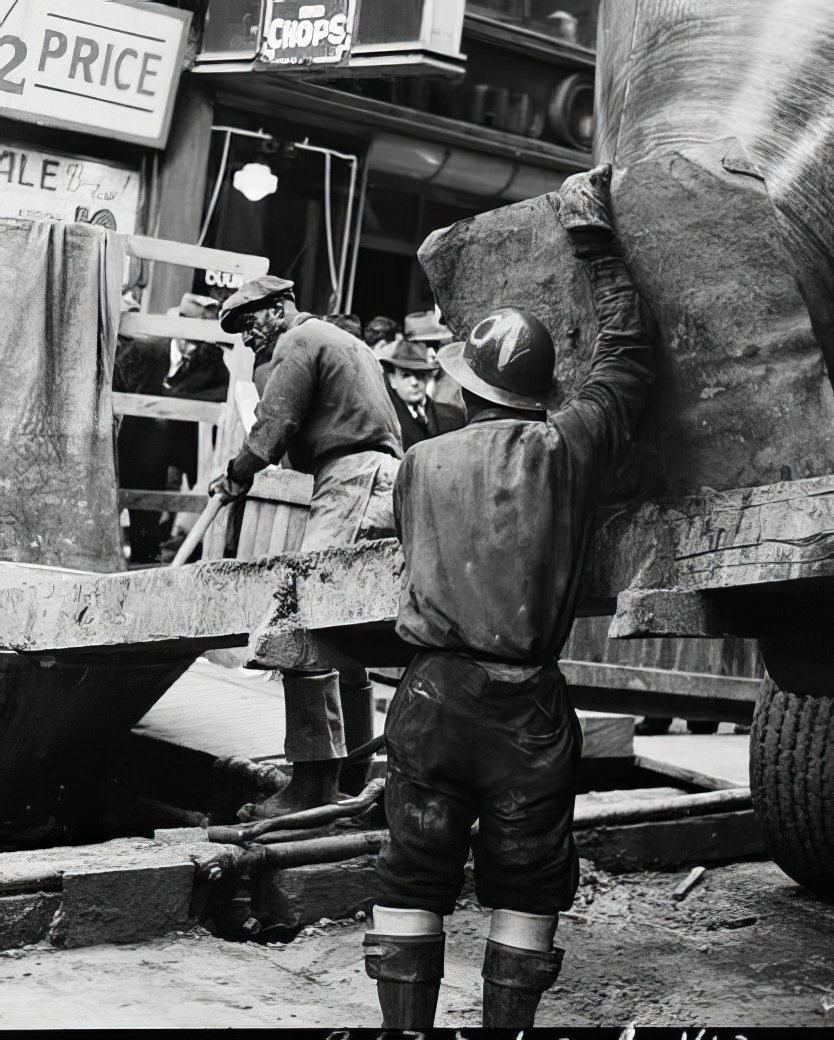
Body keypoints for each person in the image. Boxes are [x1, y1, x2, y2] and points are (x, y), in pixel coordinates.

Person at [362, 164, 656, 1029]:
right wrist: (594, 238)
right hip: (522, 708)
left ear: (469, 385)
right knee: (526, 877)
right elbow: (629, 356)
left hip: (429, 696)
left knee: (412, 867)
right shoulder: (566, 449)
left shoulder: (417, 467)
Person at [210, 276, 403, 816]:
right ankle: (352, 770)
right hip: (378, 478)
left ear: (279, 308)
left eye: (249, 324)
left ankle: (314, 783)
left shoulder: (299, 341)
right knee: (345, 637)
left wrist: (237, 473)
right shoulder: (344, 342)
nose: (248, 339)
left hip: (353, 481)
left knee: (300, 623)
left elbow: (275, 425)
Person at [379, 340, 465, 451]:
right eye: (406, 375)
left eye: (420, 374)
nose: (414, 382)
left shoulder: (455, 415)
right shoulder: (386, 425)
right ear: (392, 380)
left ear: (428, 377)